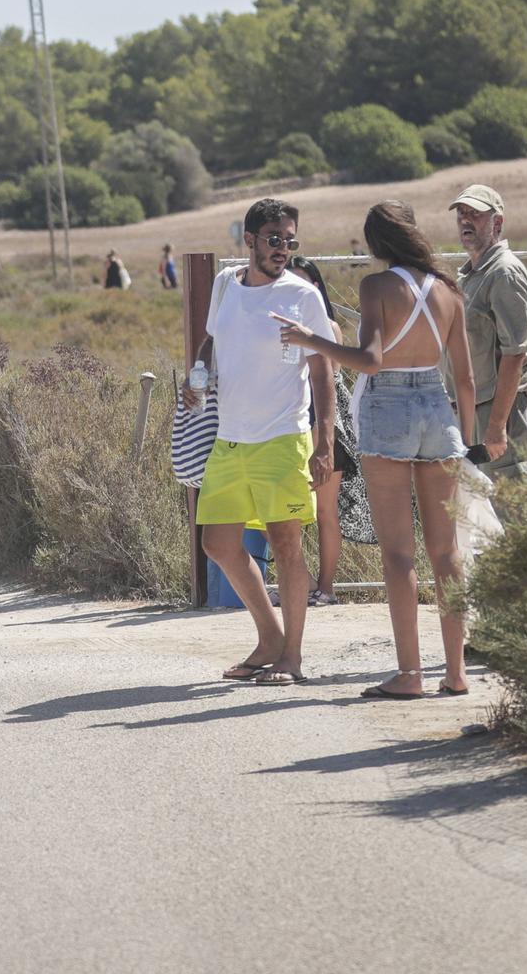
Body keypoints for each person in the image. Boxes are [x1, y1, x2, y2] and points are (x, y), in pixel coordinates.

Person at [275, 201, 479, 700]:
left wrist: (313, 341)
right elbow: (467, 379)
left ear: (375, 242)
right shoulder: (450, 291)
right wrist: (469, 442)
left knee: (398, 553)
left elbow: (369, 362)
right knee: (446, 552)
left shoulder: (376, 288)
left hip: (388, 409)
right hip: (439, 408)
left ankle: (409, 675)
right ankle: (455, 673)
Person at [184, 198, 336, 687]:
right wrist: (199, 375)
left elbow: (321, 368)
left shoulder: (303, 294)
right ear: (249, 240)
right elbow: (212, 339)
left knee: (286, 545)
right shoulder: (227, 284)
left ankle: (291, 658)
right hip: (229, 437)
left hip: (282, 437)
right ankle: (269, 638)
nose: (283, 249)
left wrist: (325, 439)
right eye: (274, 239)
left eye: (291, 240)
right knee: (218, 543)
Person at [288, 256, 360, 606]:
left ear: (316, 288)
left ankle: (326, 587)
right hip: (294, 423)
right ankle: (305, 582)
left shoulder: (327, 328)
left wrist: (323, 437)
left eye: (306, 283)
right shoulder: (285, 325)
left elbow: (327, 380)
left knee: (324, 512)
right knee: (290, 509)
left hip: (324, 424)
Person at [451, 185, 527, 480]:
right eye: (461, 214)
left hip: (500, 413)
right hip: (474, 411)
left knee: (509, 514)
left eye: (475, 214)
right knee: (480, 520)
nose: (465, 221)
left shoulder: (503, 273)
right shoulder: (474, 274)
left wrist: (497, 427)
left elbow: (515, 354)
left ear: (496, 222)